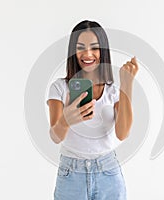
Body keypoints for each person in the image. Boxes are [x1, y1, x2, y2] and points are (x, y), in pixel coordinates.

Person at [46, 20, 138, 200]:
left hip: (108, 172)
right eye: (81, 47)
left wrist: (126, 85)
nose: (87, 54)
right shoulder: (59, 88)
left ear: (102, 51)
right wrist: (66, 120)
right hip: (71, 175)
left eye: (94, 48)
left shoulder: (112, 92)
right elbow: (55, 137)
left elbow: (123, 133)